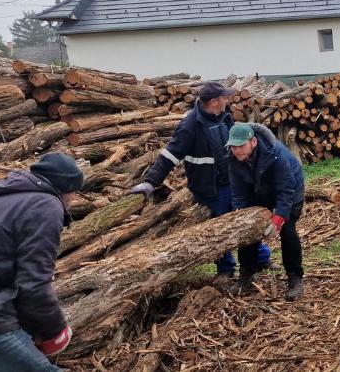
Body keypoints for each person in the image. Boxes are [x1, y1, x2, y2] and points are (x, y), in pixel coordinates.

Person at [130, 82, 273, 277]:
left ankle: (261, 259)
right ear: (214, 102)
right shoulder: (190, 126)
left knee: (245, 219)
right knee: (220, 229)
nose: (228, 100)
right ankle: (226, 270)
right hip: (211, 187)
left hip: (233, 180)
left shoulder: (225, 116)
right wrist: (150, 182)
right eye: (224, 97)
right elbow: (170, 155)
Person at [0, 153, 84, 371]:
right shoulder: (46, 206)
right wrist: (55, 330)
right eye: (74, 192)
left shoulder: (6, 195)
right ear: (67, 189)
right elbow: (33, 285)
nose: (74, 199)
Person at [226, 123, 306, 300]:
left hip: (290, 191)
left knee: (288, 231)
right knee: (247, 230)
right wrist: (241, 213)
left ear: (253, 141)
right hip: (259, 192)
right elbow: (238, 190)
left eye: (241, 146)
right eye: (233, 146)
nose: (237, 150)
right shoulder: (232, 159)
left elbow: (287, 188)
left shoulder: (274, 153)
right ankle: (247, 274)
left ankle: (295, 278)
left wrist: (279, 218)